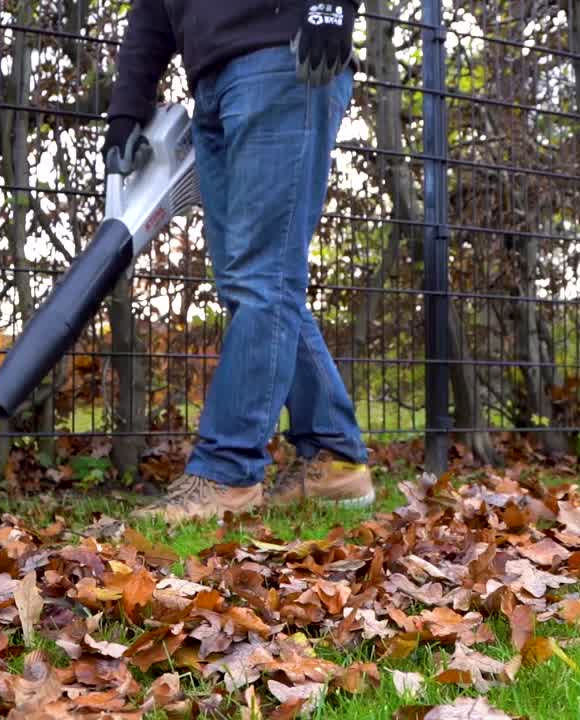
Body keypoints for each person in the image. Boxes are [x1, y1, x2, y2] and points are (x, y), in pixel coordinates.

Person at [103, 1, 373, 523]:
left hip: (284, 58)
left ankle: (226, 474)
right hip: (211, 77)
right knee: (248, 282)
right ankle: (335, 457)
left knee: (261, 280)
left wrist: (328, 9)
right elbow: (153, 8)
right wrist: (127, 106)